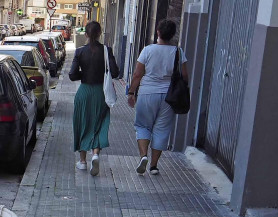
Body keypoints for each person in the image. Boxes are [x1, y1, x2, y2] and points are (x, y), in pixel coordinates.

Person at [127, 19, 190, 176]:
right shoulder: (178, 52)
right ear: (172, 35)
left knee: (143, 126)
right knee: (161, 130)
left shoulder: (148, 50)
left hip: (147, 94)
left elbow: (137, 74)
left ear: (158, 32)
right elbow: (185, 77)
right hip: (169, 97)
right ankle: (154, 166)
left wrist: (131, 92)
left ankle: (143, 156)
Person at [68, 21, 120, 177]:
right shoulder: (106, 50)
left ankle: (82, 162)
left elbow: (72, 75)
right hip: (100, 93)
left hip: (84, 92)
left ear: (86, 34)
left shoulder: (79, 52)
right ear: (99, 33)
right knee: (99, 123)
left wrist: (83, 74)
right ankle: (95, 153)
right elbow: (116, 73)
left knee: (83, 123)